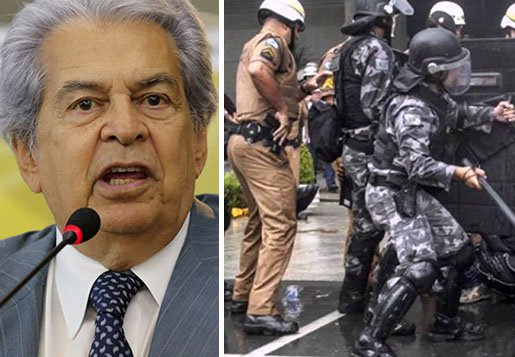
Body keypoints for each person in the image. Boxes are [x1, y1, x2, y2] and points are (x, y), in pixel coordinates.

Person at [0, 0, 217, 355]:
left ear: (196, 141)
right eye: (85, 104)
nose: (126, 128)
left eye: (153, 99)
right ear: (28, 156)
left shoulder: (229, 273)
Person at [353, 27, 515, 356]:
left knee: (460, 252)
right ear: (434, 70)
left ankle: (445, 323)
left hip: (410, 191)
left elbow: (457, 114)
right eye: (453, 66)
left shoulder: (433, 96)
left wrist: (492, 113)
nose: (458, 72)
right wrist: (459, 172)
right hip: (391, 193)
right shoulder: (411, 109)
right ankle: (370, 339)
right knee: (421, 268)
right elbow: (417, 165)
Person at [229, 0, 319, 335]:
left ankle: (243, 294)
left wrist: (302, 89)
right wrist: (283, 109)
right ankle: (261, 309)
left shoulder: (252, 42)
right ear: (293, 25)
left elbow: (263, 77)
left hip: (242, 143)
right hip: (263, 147)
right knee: (281, 225)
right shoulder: (273, 42)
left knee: (258, 221)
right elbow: (258, 70)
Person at [335, 0, 413, 316]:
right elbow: (374, 104)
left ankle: (352, 297)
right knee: (388, 224)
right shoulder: (376, 50)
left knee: (364, 225)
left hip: (353, 146)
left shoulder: (346, 48)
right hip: (371, 149)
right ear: (383, 18)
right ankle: (380, 306)